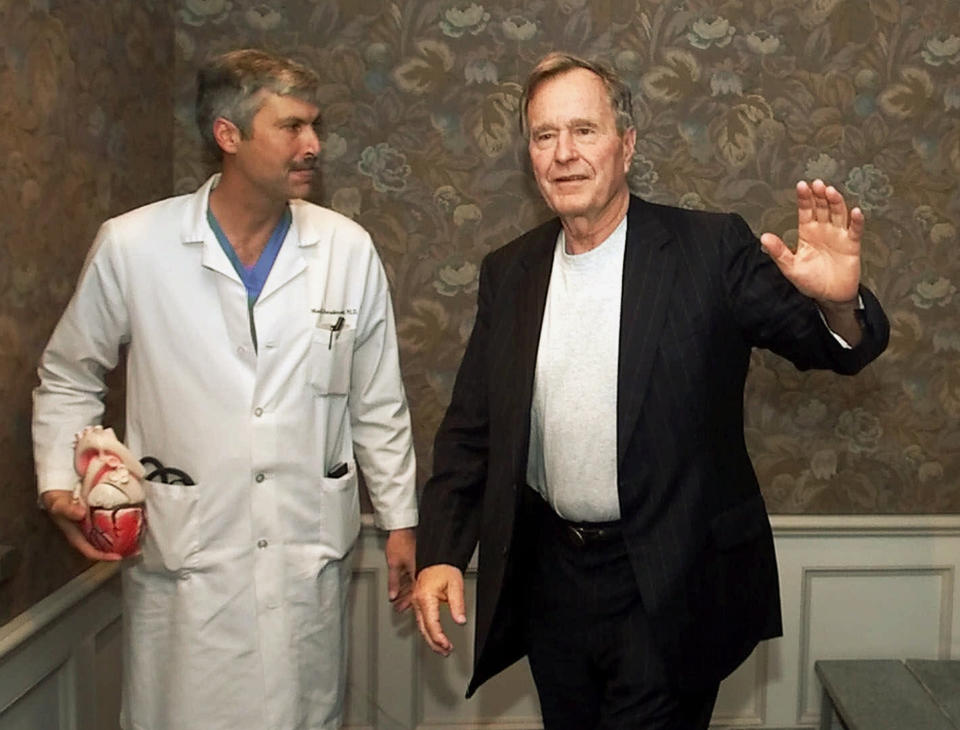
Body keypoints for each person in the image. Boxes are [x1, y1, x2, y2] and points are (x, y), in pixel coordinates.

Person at [412, 52, 889, 729]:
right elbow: (472, 428)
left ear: (627, 145)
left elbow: (829, 348)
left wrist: (840, 306)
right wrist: (441, 553)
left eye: (584, 130)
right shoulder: (510, 272)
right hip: (553, 583)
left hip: (668, 578)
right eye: (545, 136)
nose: (564, 153)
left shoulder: (708, 248)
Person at [33, 49, 417, 730]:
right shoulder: (134, 246)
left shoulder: (345, 250)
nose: (314, 145)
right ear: (228, 135)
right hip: (187, 565)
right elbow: (69, 374)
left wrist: (399, 520)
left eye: (314, 126)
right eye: (292, 127)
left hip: (306, 561)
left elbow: (377, 402)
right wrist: (65, 481)